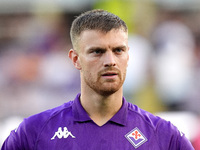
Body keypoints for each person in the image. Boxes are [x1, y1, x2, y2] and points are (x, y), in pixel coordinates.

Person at [1, 9, 194, 150]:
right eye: (97, 52)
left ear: (128, 56)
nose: (110, 61)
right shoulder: (34, 132)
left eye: (118, 50)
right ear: (75, 59)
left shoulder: (164, 136)